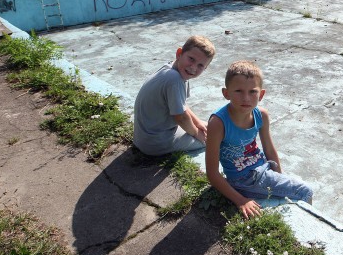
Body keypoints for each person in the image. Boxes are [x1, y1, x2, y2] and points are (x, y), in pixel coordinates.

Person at [206, 60, 313, 219]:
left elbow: (269, 149)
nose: (246, 98)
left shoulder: (261, 115)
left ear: (261, 94)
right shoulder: (218, 123)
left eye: (252, 92)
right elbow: (212, 173)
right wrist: (241, 200)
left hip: (263, 168)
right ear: (226, 93)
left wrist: (279, 176)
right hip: (243, 180)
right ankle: (302, 232)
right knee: (305, 191)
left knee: (288, 187)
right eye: (238, 91)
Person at [133, 35, 215, 156]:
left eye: (200, 65)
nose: (193, 67)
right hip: (155, 143)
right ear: (179, 53)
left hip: (145, 137)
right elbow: (181, 117)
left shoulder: (171, 69)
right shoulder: (174, 80)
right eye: (191, 59)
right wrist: (196, 133)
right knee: (211, 139)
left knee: (207, 127)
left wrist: (198, 122)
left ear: (205, 68)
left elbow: (182, 106)